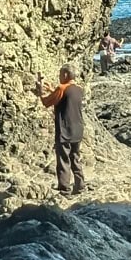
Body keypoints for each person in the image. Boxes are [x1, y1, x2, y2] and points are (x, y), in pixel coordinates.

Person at [34, 63, 85, 194]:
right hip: (78, 129)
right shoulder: (79, 89)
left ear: (66, 74)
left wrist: (40, 92)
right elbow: (66, 99)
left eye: (60, 74)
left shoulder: (62, 88)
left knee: (63, 159)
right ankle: (80, 185)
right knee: (75, 157)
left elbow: (46, 102)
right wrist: (53, 90)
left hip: (65, 129)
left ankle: (64, 188)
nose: (59, 77)